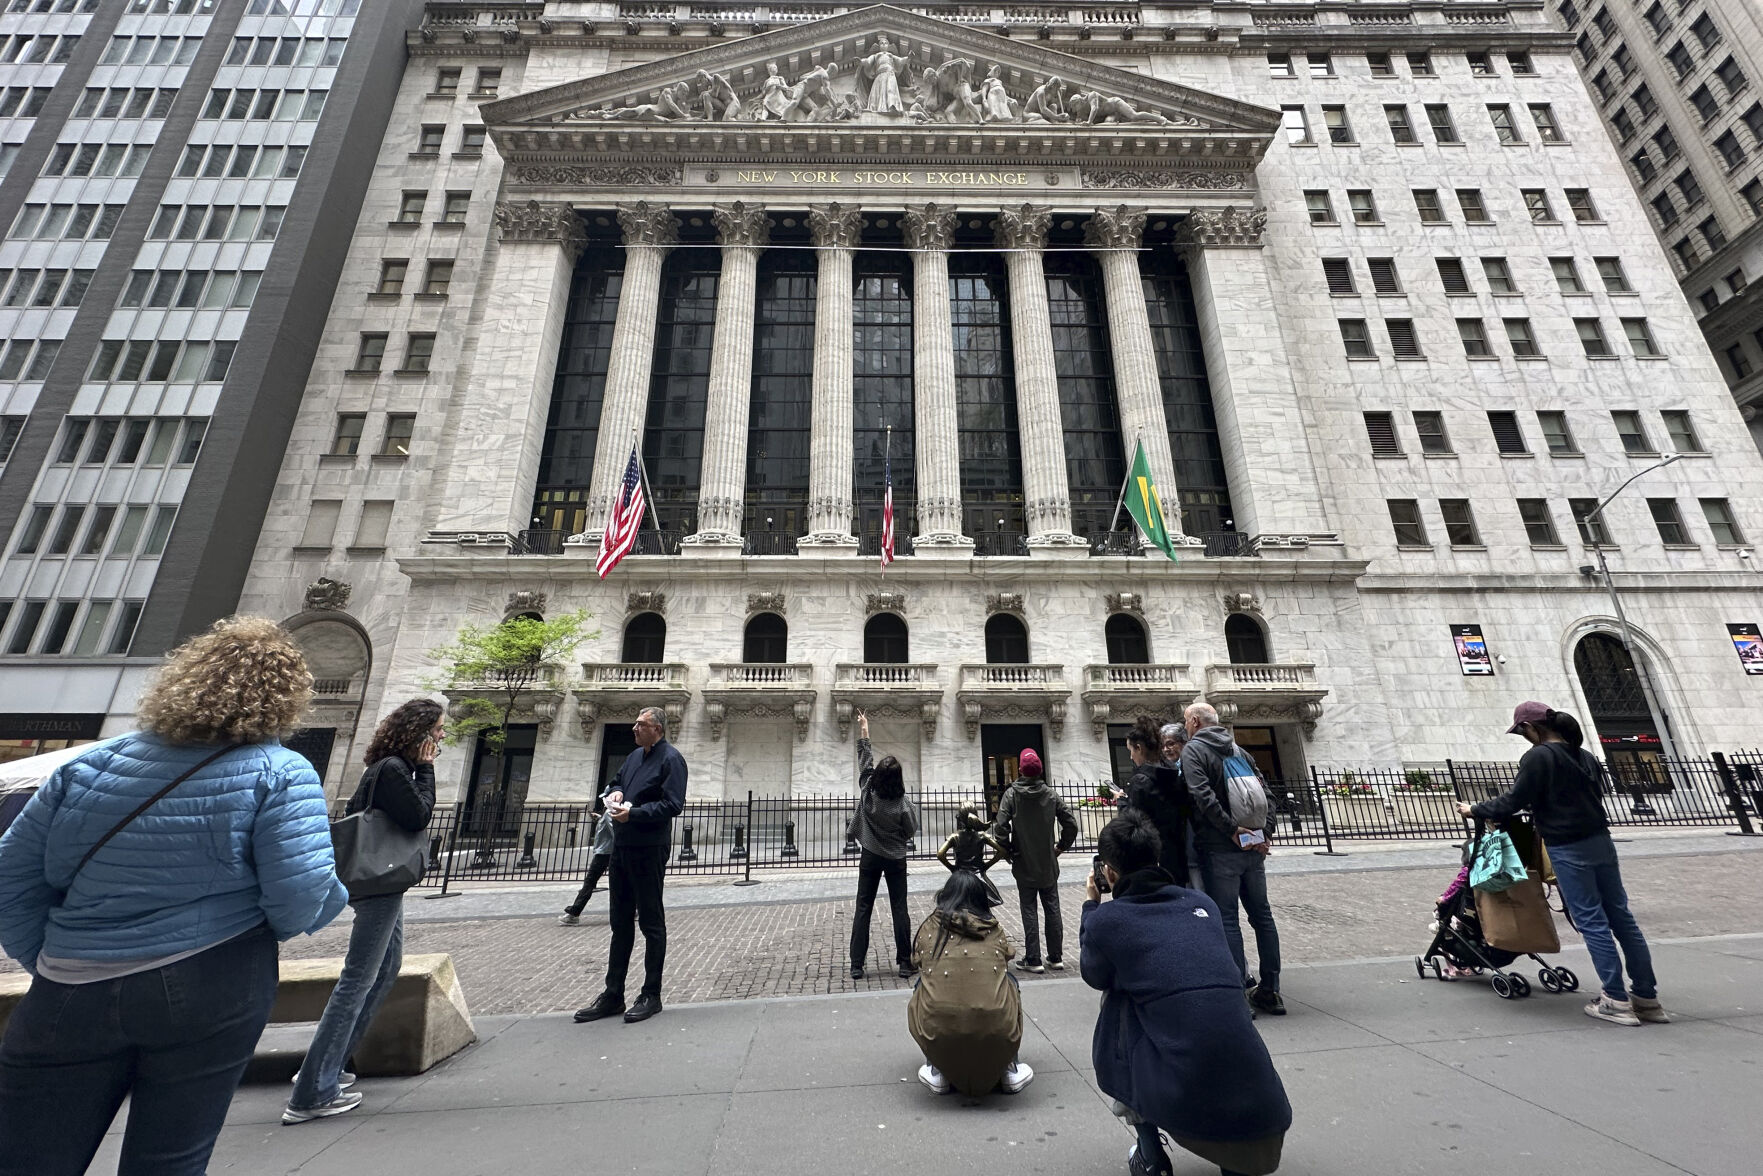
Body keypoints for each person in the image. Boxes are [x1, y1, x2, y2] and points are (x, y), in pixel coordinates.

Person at [0, 616, 348, 1175]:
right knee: (170, 1159)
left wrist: (53, 957)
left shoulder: (89, 764)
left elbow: (9, 878)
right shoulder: (279, 771)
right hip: (210, 975)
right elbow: (301, 894)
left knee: (27, 1158)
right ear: (286, 697)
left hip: (68, 984)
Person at [1081, 810, 1291, 1176]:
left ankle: (1149, 1154)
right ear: (1157, 858)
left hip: (1189, 1106)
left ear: (1109, 872)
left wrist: (1090, 906)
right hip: (1265, 1115)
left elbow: (1094, 974)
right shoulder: (1202, 905)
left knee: (1117, 1001)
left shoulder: (1106, 921)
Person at [1459, 702, 1668, 1027]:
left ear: (1532, 728)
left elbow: (1514, 801)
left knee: (1592, 921)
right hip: (1600, 840)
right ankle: (1647, 998)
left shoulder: (1539, 756)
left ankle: (1615, 999)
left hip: (1567, 846)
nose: (1523, 738)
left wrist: (1476, 809)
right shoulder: (1584, 756)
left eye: (1522, 732)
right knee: (1622, 919)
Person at [285, 698, 441, 1124]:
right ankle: (312, 1090)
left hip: (380, 880)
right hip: (380, 883)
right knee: (357, 979)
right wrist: (426, 770)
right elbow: (419, 816)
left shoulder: (384, 768)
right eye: (438, 730)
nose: (442, 737)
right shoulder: (393, 769)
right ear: (421, 732)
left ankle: (328, 1067)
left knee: (386, 969)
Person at [573, 705, 687, 1025]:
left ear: (658, 729)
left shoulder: (672, 759)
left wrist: (633, 813)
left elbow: (673, 804)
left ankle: (651, 994)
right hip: (621, 848)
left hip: (649, 849)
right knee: (619, 922)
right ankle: (613, 994)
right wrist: (615, 792)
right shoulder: (633, 757)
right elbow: (614, 784)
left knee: (651, 922)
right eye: (635, 723)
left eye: (641, 724)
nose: (634, 729)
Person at [1181, 702, 1283, 1017]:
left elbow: (1202, 797)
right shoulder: (1239, 751)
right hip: (1254, 847)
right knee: (1262, 917)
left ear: (1195, 721)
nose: (1185, 727)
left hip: (1220, 847)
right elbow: (1268, 795)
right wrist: (1263, 835)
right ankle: (1271, 990)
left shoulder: (1194, 751)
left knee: (1227, 920)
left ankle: (1238, 993)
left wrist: (1231, 831)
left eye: (1186, 722)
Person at [908, 870, 1033, 1097]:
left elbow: (916, 960)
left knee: (921, 985)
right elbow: (1008, 955)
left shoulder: (929, 928)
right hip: (996, 1028)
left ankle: (937, 1068)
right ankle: (1008, 1066)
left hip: (939, 1030)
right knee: (1010, 982)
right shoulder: (992, 928)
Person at [846, 711, 920, 980]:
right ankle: (903, 962)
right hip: (896, 858)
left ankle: (857, 964)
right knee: (899, 907)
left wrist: (864, 728)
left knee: (863, 906)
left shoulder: (868, 791)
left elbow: (864, 760)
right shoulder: (903, 804)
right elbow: (911, 830)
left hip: (870, 856)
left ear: (877, 776)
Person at [992, 748, 1077, 973]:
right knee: (1052, 907)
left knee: (1028, 908)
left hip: (1024, 861)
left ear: (1020, 769)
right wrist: (1061, 846)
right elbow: (1071, 823)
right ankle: (1056, 956)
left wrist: (1008, 851)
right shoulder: (1050, 794)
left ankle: (1033, 958)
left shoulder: (1012, 794)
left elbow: (999, 828)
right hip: (1048, 861)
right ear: (1039, 770)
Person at [1126, 717, 1190, 886]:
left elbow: (1133, 824)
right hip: (1177, 854)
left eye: (1131, 751)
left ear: (1139, 748)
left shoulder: (1141, 781)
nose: (1131, 757)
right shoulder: (1174, 774)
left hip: (1153, 860)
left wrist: (1122, 801)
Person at [558, 788, 615, 925]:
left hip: (604, 853)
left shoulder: (609, 813)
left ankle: (574, 913)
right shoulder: (607, 814)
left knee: (590, 882)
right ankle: (634, 909)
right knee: (621, 882)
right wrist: (600, 819)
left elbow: (616, 832)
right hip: (607, 852)